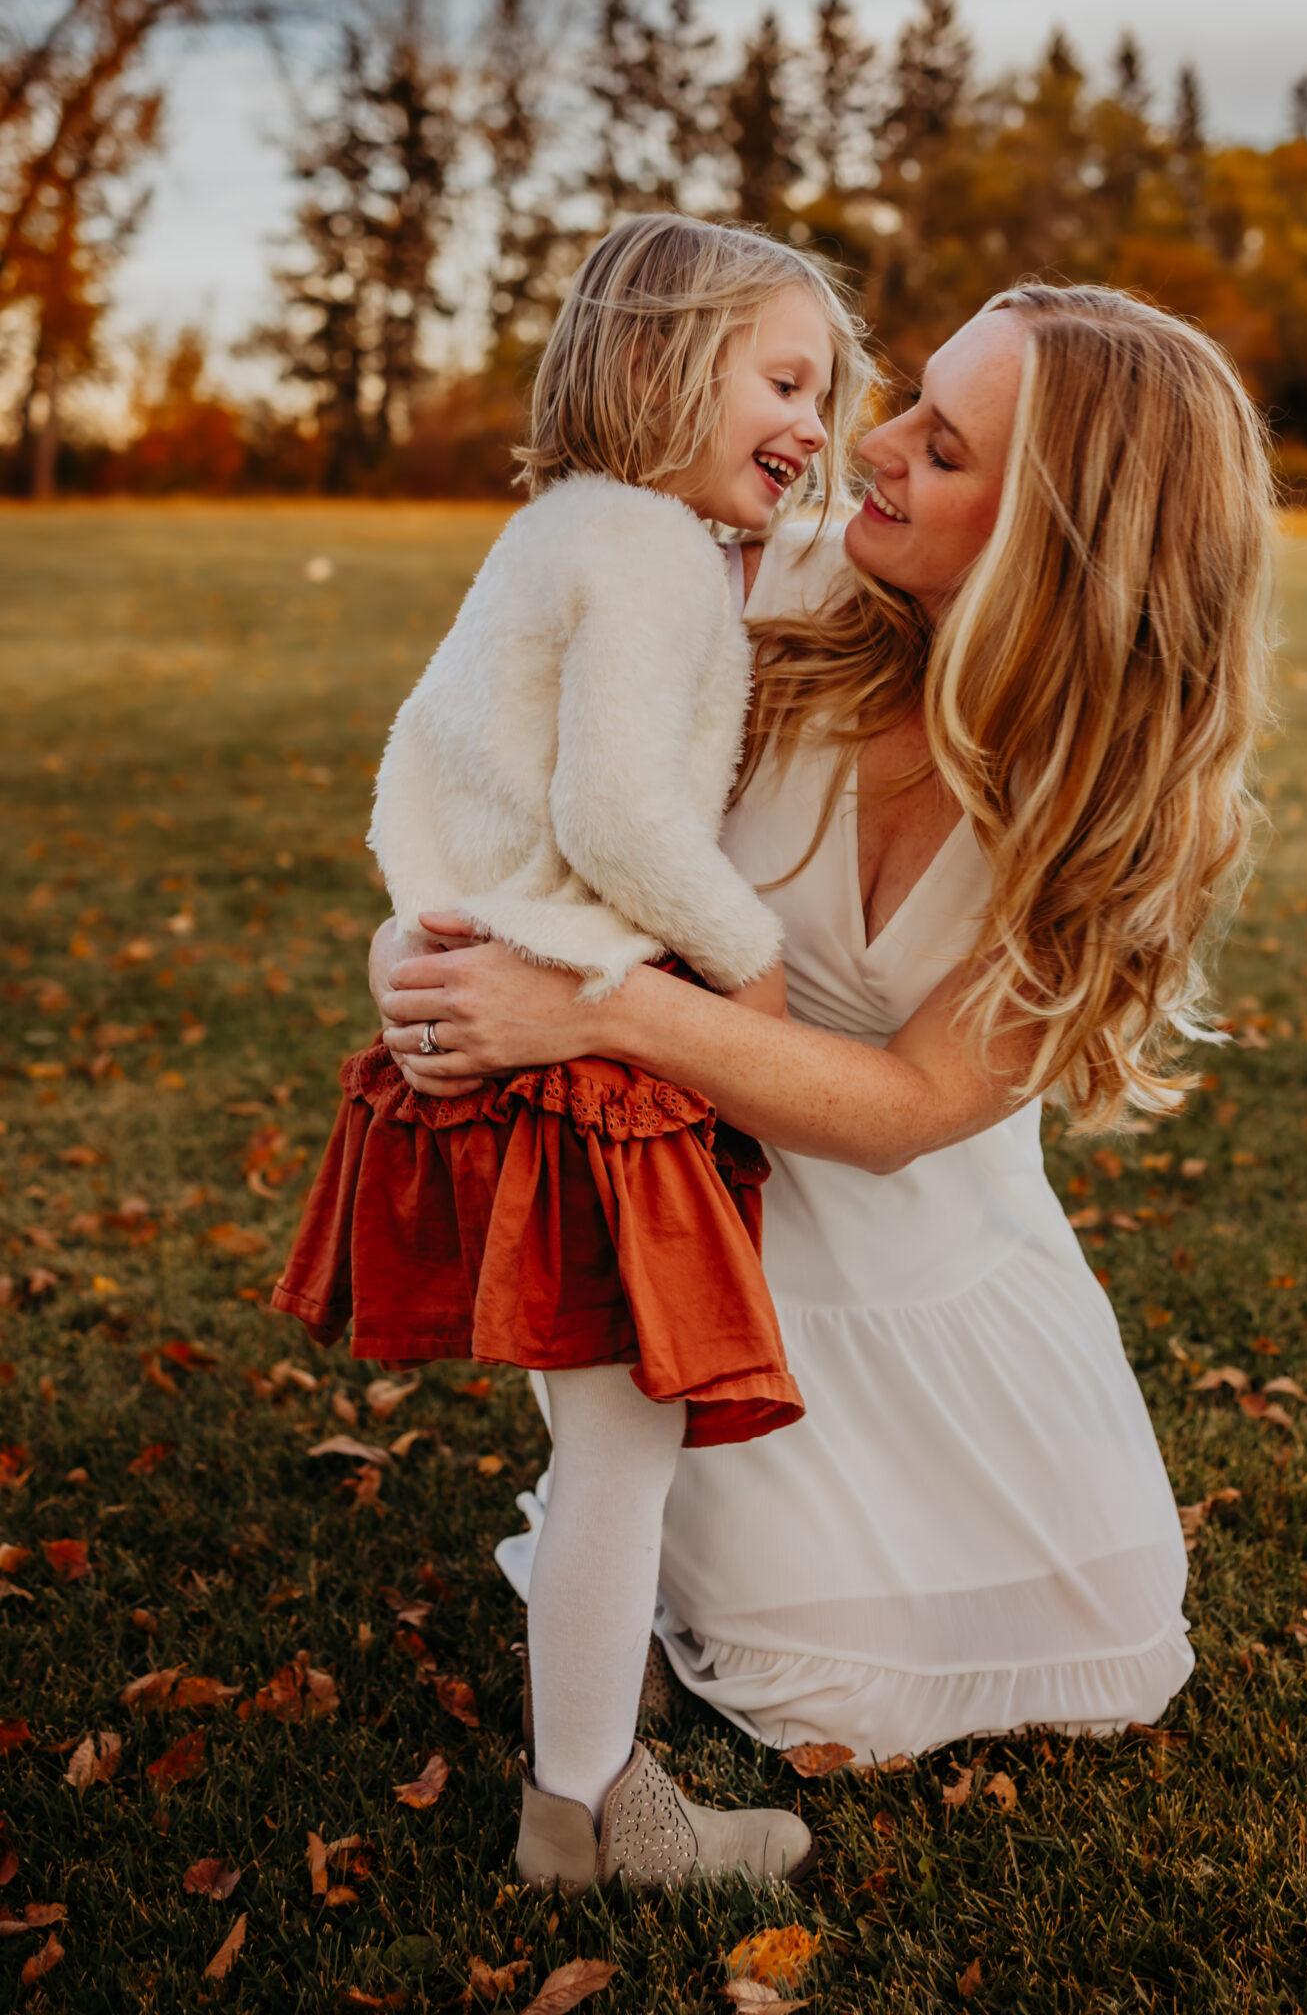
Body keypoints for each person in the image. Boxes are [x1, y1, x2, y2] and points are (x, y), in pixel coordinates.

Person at [376, 281, 1275, 1766]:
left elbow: (907, 1107)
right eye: (909, 399)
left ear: (1058, 532)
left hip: (938, 1259)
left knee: (1105, 1648)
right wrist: (443, 956)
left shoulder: (1121, 808)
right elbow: (501, 789)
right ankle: (636, 1548)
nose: (875, 441)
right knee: (824, 1694)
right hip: (714, 1245)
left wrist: (600, 1012)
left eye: (946, 446)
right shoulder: (759, 592)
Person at [274, 214, 872, 1893]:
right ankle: (592, 1813)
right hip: (579, 1059)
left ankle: (589, 1785)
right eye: (783, 380)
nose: (813, 424)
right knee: (622, 1444)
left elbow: (432, 753)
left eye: (820, 392)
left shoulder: (557, 532)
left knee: (595, 1434)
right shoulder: (657, 555)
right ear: (666, 368)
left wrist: (423, 920)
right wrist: (750, 976)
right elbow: (616, 810)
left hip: (493, 1018)